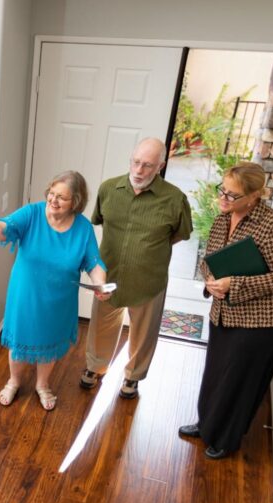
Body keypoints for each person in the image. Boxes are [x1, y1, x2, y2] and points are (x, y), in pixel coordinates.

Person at [0, 171, 108, 411]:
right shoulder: (32, 214)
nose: (53, 201)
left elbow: (94, 262)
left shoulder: (83, 229)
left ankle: (42, 385)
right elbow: (0, 227)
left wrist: (100, 283)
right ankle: (14, 381)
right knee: (20, 340)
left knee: (51, 341)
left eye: (61, 198)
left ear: (75, 202)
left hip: (59, 299)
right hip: (26, 294)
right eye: (51, 194)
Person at [178, 161, 273, 459]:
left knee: (238, 381)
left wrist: (236, 284)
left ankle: (226, 439)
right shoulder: (224, 217)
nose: (224, 198)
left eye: (232, 195)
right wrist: (211, 280)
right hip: (224, 313)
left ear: (255, 195)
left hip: (262, 323)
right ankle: (207, 425)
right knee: (215, 374)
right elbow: (212, 258)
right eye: (223, 190)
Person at [80, 138, 193, 399]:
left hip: (148, 279)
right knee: (101, 325)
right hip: (109, 275)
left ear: (160, 166)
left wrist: (148, 251)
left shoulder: (175, 199)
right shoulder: (109, 189)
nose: (139, 171)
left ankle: (133, 377)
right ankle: (95, 366)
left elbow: (180, 234)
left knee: (143, 332)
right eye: (136, 162)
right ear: (131, 159)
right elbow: (97, 220)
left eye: (148, 165)